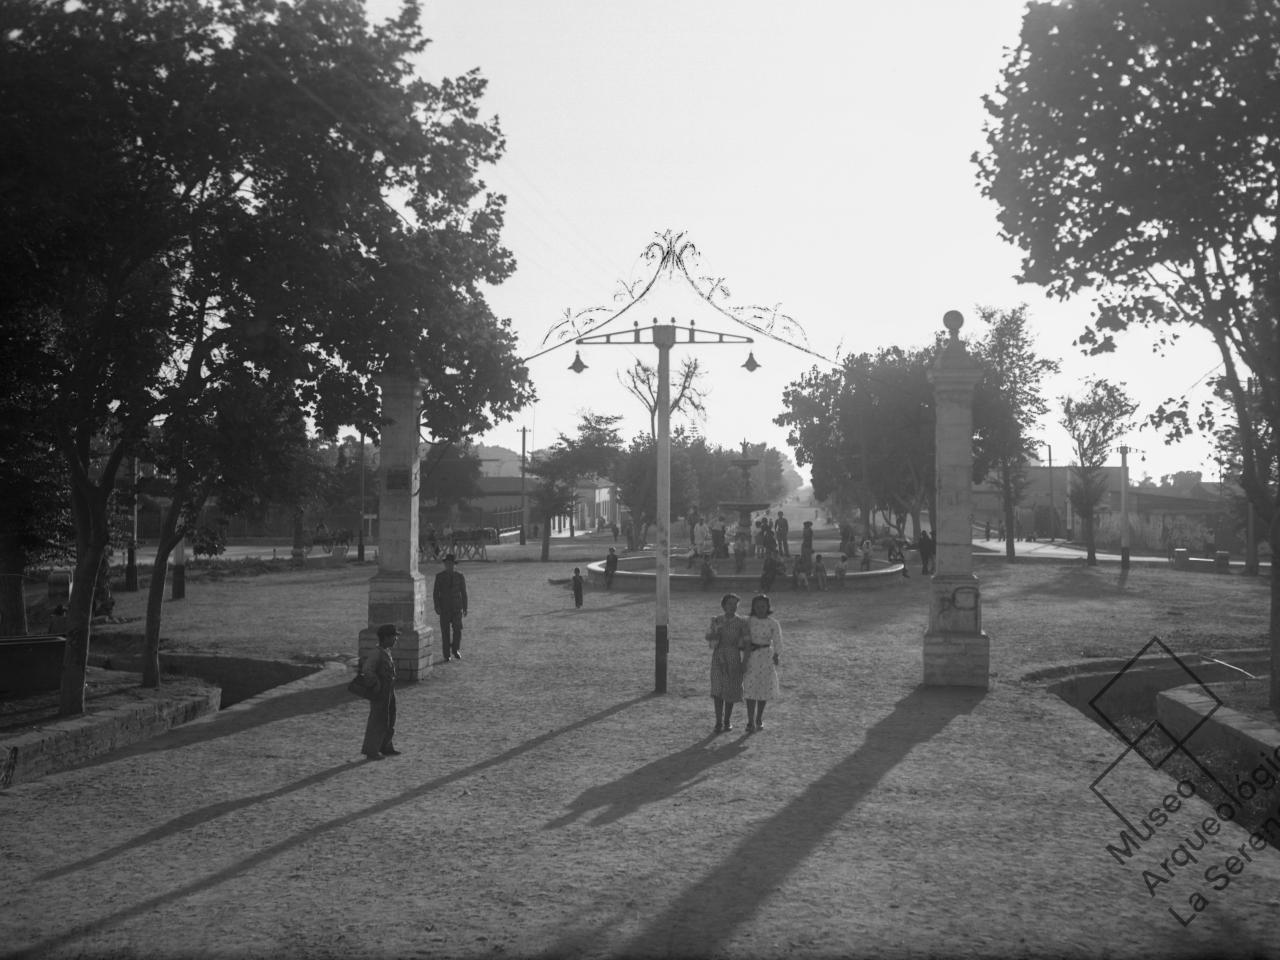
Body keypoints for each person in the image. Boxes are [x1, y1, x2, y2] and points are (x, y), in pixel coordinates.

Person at [705, 593, 748, 733]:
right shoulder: (717, 620)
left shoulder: (742, 622)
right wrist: (716, 633)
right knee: (717, 688)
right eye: (730, 604)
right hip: (718, 656)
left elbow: (746, 642)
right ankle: (718, 721)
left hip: (733, 656)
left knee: (730, 689)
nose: (732, 607)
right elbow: (708, 637)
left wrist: (744, 661)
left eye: (735, 604)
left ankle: (727, 720)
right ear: (724, 605)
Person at [742, 594, 781, 734]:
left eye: (763, 606)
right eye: (757, 607)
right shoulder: (748, 621)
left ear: (768, 607)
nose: (760, 609)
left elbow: (777, 639)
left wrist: (777, 654)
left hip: (766, 656)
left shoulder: (773, 623)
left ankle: (759, 718)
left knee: (764, 686)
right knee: (750, 686)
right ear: (753, 607)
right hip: (751, 656)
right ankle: (750, 720)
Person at [360, 624, 399, 761]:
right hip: (380, 693)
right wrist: (376, 684)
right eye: (394, 636)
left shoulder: (386, 651)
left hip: (389, 691)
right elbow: (367, 670)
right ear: (386, 638)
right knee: (377, 720)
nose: (396, 639)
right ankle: (372, 751)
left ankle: (386, 746)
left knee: (390, 718)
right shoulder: (377, 653)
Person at [433, 553, 468, 661]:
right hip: (444, 608)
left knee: (458, 630)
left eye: (451, 564)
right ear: (445, 564)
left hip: (457, 607)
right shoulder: (439, 577)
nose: (449, 566)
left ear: (454, 565)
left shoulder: (460, 576)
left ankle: (455, 649)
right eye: (447, 564)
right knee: (445, 632)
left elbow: (464, 592)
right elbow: (435, 593)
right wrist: (437, 606)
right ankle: (446, 654)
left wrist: (465, 607)